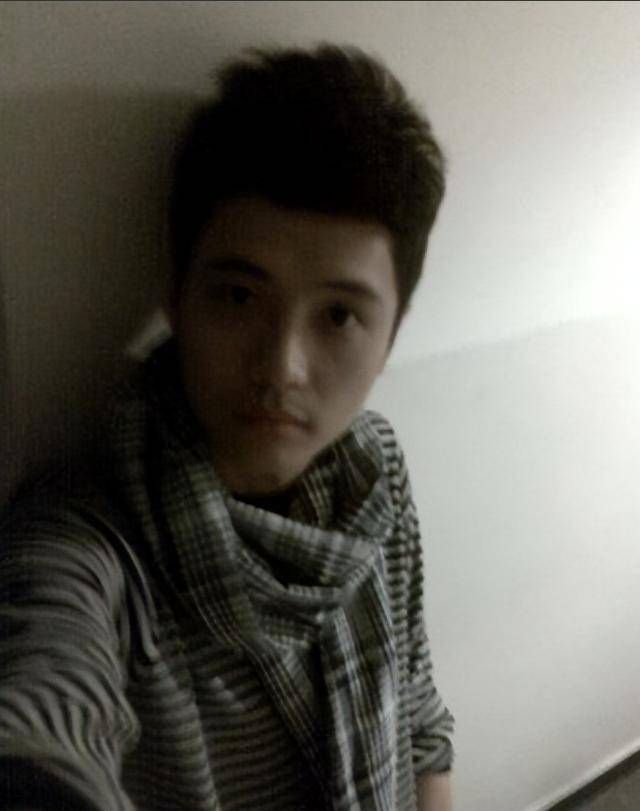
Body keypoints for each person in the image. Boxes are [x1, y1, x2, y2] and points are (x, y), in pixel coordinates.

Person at [0, 45, 454, 810]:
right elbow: (41, 718)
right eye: (240, 297)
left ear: (390, 339)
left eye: (339, 315)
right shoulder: (86, 543)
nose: (282, 367)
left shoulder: (373, 470)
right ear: (176, 296)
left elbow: (419, 715)